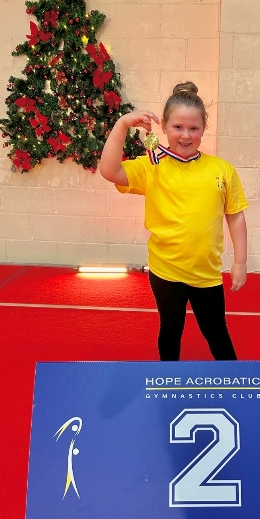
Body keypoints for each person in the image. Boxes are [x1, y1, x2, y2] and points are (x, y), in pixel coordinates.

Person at [100, 82, 248, 361]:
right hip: (165, 271)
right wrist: (122, 124)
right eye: (178, 127)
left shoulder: (222, 169)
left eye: (194, 128)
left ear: (204, 128)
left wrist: (240, 260)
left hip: (206, 273)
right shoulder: (151, 166)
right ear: (165, 127)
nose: (186, 135)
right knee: (170, 329)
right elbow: (109, 170)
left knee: (216, 331)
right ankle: (168, 376)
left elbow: (235, 215)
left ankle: (232, 378)